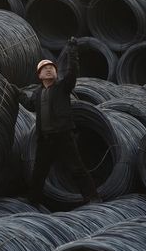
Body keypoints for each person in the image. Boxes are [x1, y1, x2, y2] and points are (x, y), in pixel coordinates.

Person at [17, 37, 101, 204]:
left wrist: (72, 50)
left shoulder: (63, 87)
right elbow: (30, 105)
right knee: (39, 171)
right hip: (45, 138)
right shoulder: (37, 93)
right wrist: (16, 93)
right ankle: (33, 200)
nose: (48, 70)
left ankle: (93, 198)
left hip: (63, 135)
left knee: (76, 168)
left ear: (56, 73)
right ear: (39, 75)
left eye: (51, 68)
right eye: (44, 68)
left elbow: (72, 72)